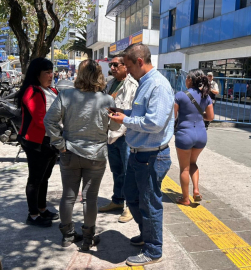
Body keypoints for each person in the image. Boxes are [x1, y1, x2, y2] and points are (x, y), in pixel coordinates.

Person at [108, 44, 174, 266]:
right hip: (139, 155)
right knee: (133, 197)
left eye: (127, 66)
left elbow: (154, 123)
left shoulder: (158, 85)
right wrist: (125, 113)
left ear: (139, 62)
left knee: (148, 203)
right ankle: (147, 236)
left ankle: (154, 250)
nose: (126, 71)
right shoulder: (143, 83)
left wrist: (124, 120)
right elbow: (142, 114)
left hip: (151, 156)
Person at [44, 59, 120, 249]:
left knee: (68, 196)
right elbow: (116, 126)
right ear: (99, 75)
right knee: (90, 198)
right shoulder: (107, 100)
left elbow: (49, 121)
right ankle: (88, 238)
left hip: (69, 152)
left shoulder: (66, 95)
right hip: (96, 155)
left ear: (79, 74)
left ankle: (67, 235)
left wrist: (59, 144)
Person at [15, 58, 59, 227]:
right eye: (47, 72)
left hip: (51, 140)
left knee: (45, 177)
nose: (51, 75)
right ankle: (33, 214)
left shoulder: (52, 91)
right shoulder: (32, 91)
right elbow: (41, 119)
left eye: (51, 71)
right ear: (37, 74)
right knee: (35, 179)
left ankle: (42, 208)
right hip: (36, 142)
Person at [98, 55, 139, 223]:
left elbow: (130, 111)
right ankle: (117, 200)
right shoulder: (110, 83)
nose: (112, 67)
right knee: (116, 170)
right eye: (111, 65)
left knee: (129, 172)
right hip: (111, 134)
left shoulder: (132, 85)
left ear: (125, 67)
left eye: (116, 65)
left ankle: (130, 206)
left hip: (125, 134)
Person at [174, 70, 214, 206]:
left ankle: (185, 199)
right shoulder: (206, 96)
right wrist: (199, 115)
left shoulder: (180, 95)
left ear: (190, 80)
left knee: (184, 168)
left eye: (186, 78)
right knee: (193, 163)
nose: (185, 80)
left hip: (185, 134)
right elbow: (210, 117)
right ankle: (196, 190)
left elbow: (172, 116)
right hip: (201, 135)